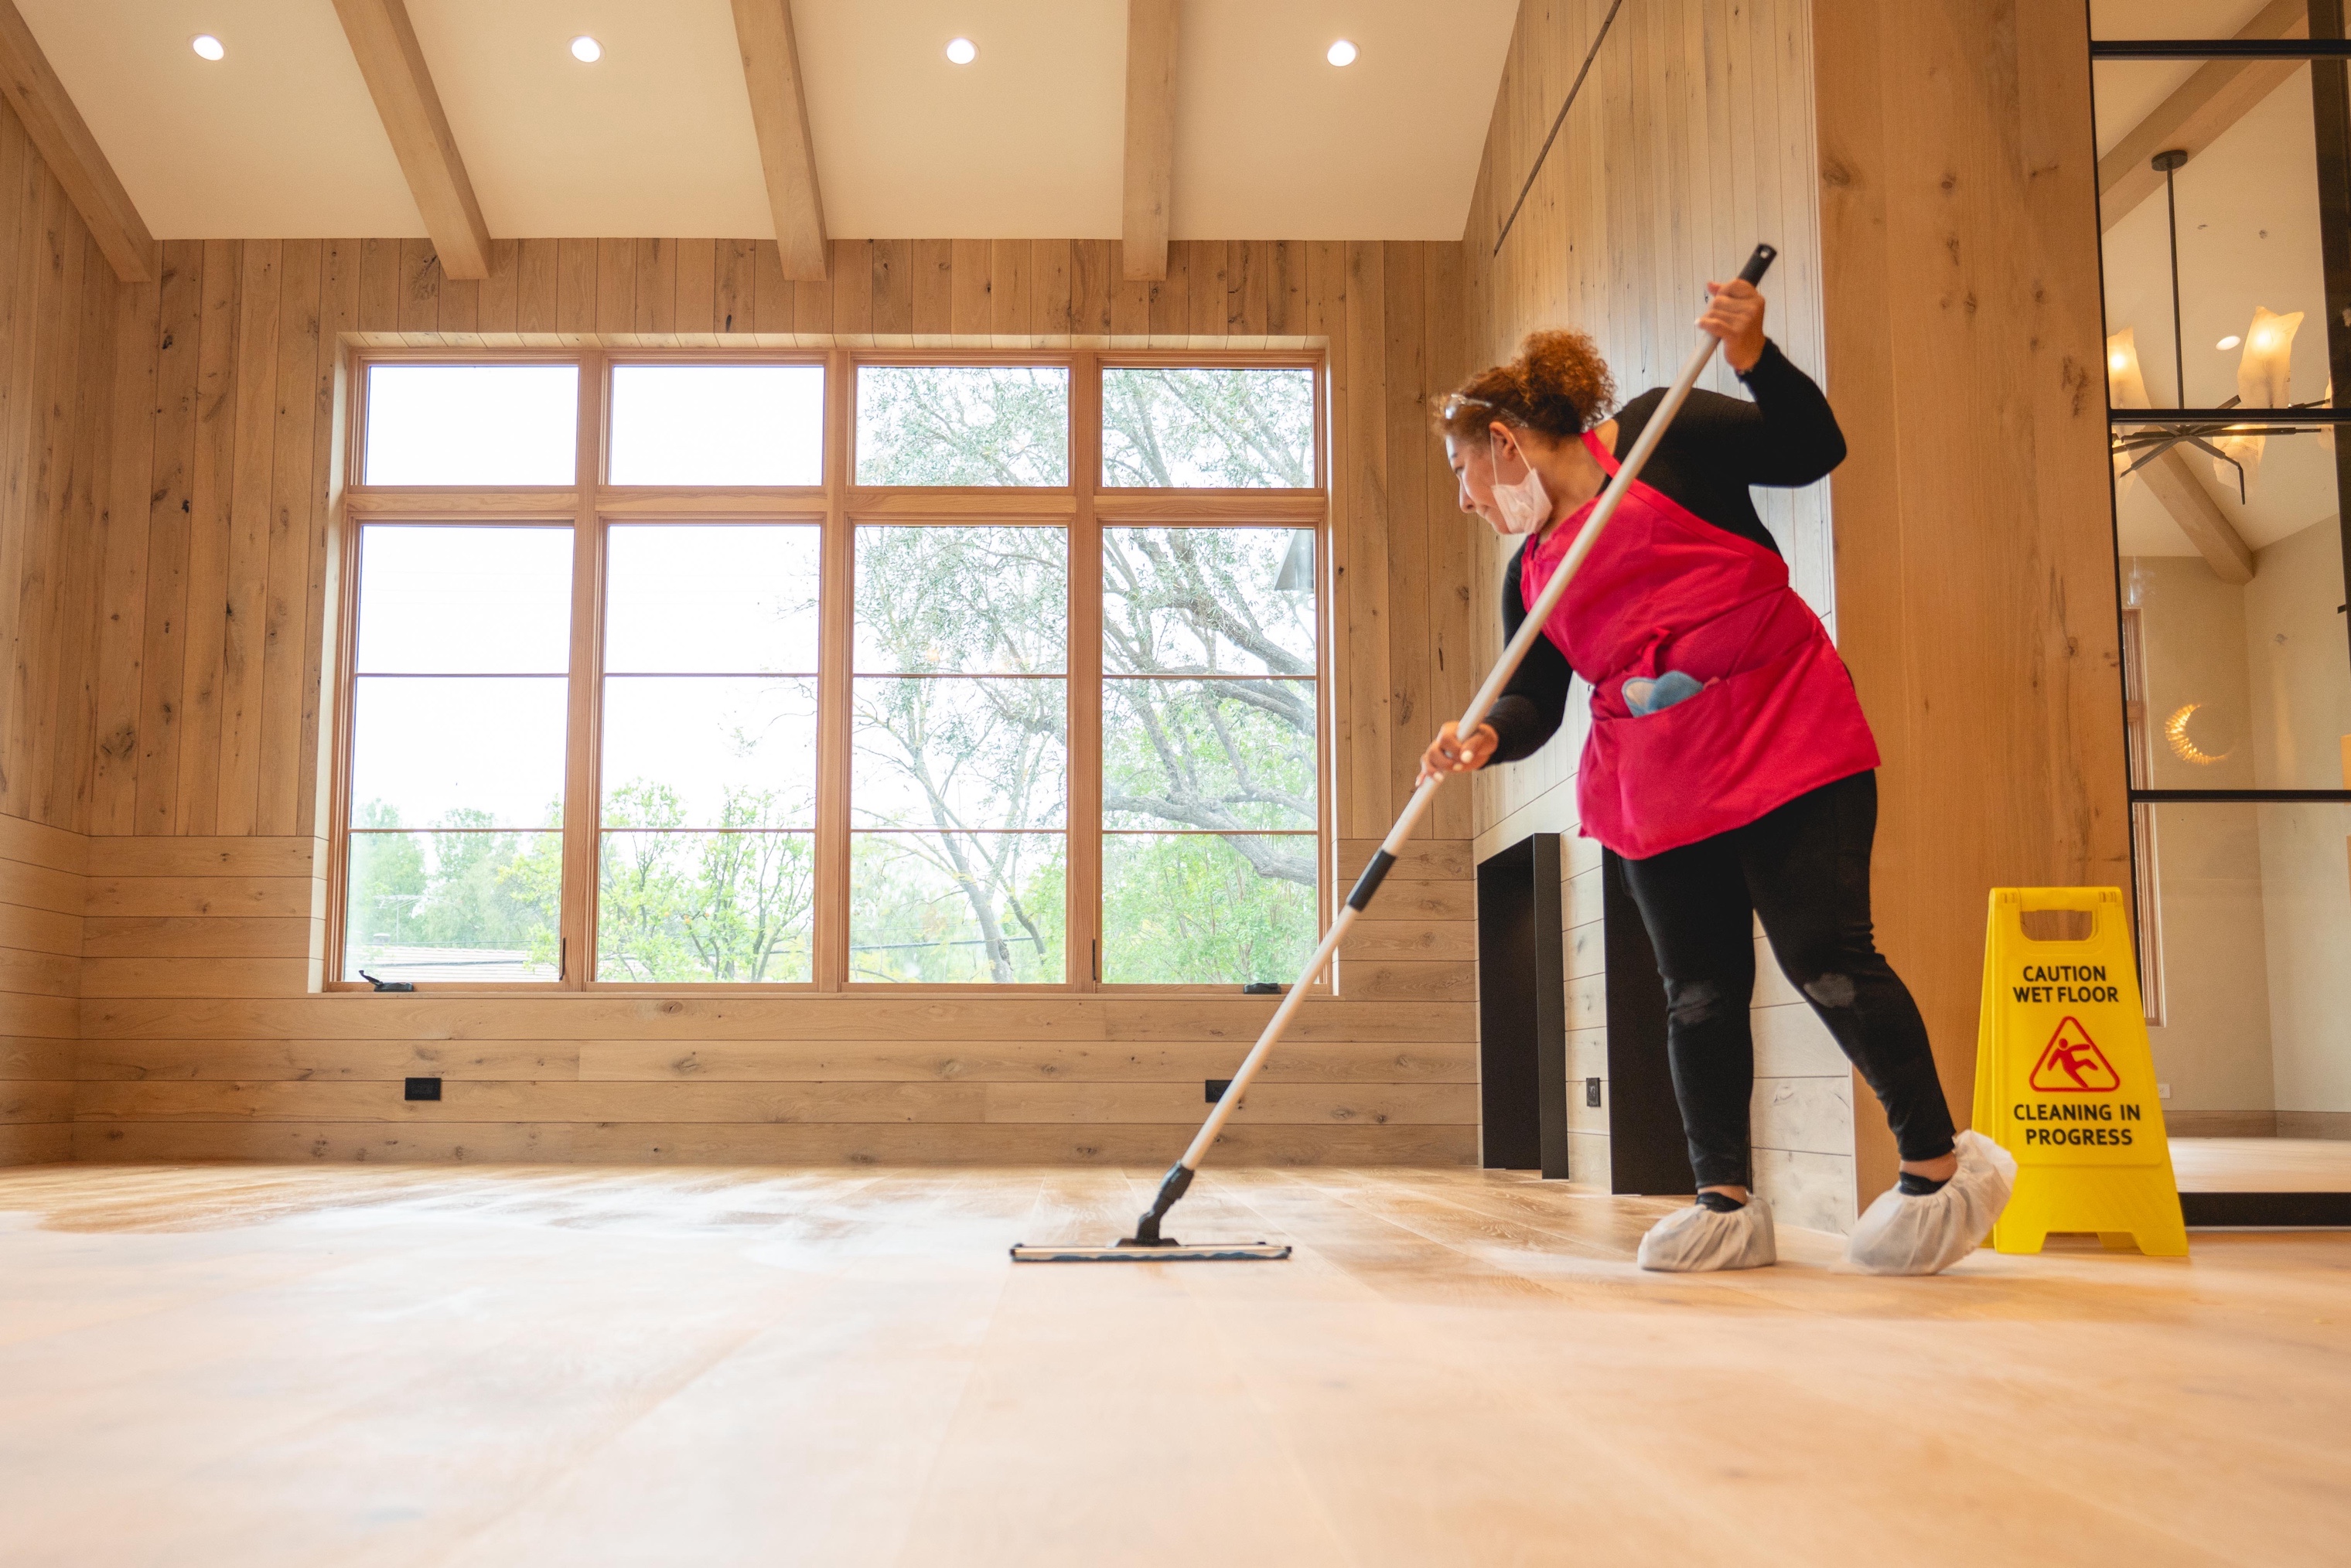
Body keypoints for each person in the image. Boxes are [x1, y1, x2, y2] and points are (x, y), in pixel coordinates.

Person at [1422, 281, 2013, 1275]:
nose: (1467, 497)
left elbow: (1809, 450)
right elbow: (1535, 697)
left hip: (1787, 731)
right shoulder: (1531, 572)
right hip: (1656, 782)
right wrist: (1484, 736)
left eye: (1463, 470)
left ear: (1506, 441)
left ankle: (1935, 1169)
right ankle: (1725, 1204)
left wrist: (1753, 355)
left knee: (1825, 956)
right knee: (1696, 992)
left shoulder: (1659, 432)